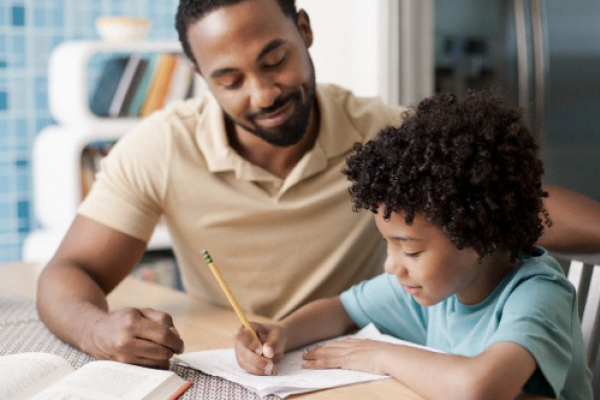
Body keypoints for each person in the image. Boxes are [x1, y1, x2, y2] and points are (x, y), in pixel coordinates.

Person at [37, 0, 600, 369]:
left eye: (274, 59)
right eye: (229, 80)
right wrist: (98, 330)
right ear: (199, 78)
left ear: (304, 30)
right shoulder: (159, 146)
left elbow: (510, 202)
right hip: (239, 365)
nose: (262, 94)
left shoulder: (381, 134)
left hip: (345, 366)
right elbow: (69, 273)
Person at [233, 91, 592, 400]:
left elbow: (482, 389)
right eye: (388, 245)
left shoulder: (537, 294)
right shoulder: (440, 286)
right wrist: (282, 331)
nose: (393, 265)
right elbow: (341, 310)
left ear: (481, 233)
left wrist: (380, 356)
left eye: (411, 250)